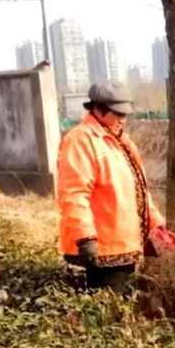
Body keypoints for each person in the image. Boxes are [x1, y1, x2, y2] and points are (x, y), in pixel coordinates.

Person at [57, 81, 166, 293]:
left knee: (123, 307)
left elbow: (138, 189)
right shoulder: (80, 140)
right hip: (98, 252)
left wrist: (155, 223)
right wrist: (86, 238)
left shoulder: (122, 142)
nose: (123, 120)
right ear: (98, 109)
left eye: (126, 114)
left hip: (124, 249)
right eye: (118, 114)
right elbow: (74, 194)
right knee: (104, 309)